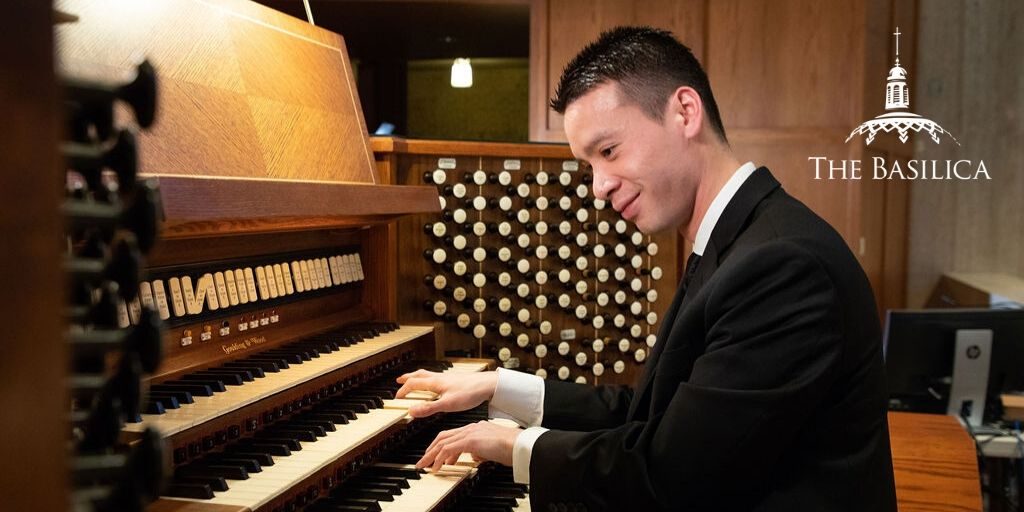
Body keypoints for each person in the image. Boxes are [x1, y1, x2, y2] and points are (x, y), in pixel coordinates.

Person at [396, 26, 897, 511]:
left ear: (684, 111)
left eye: (608, 151)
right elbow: (652, 414)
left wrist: (514, 446)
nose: (598, 186)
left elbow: (670, 475)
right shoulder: (738, 240)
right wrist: (498, 386)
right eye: (588, 164)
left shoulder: (781, 267)